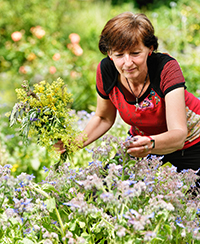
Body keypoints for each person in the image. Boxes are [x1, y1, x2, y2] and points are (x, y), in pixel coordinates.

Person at [56, 12, 200, 175]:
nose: (127, 63)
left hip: (192, 142)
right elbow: (104, 118)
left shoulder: (166, 68)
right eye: (119, 55)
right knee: (105, 187)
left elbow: (178, 135)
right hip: (141, 143)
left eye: (135, 53)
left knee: (192, 198)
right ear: (109, 53)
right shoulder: (107, 71)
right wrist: (73, 143)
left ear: (149, 49)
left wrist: (150, 144)